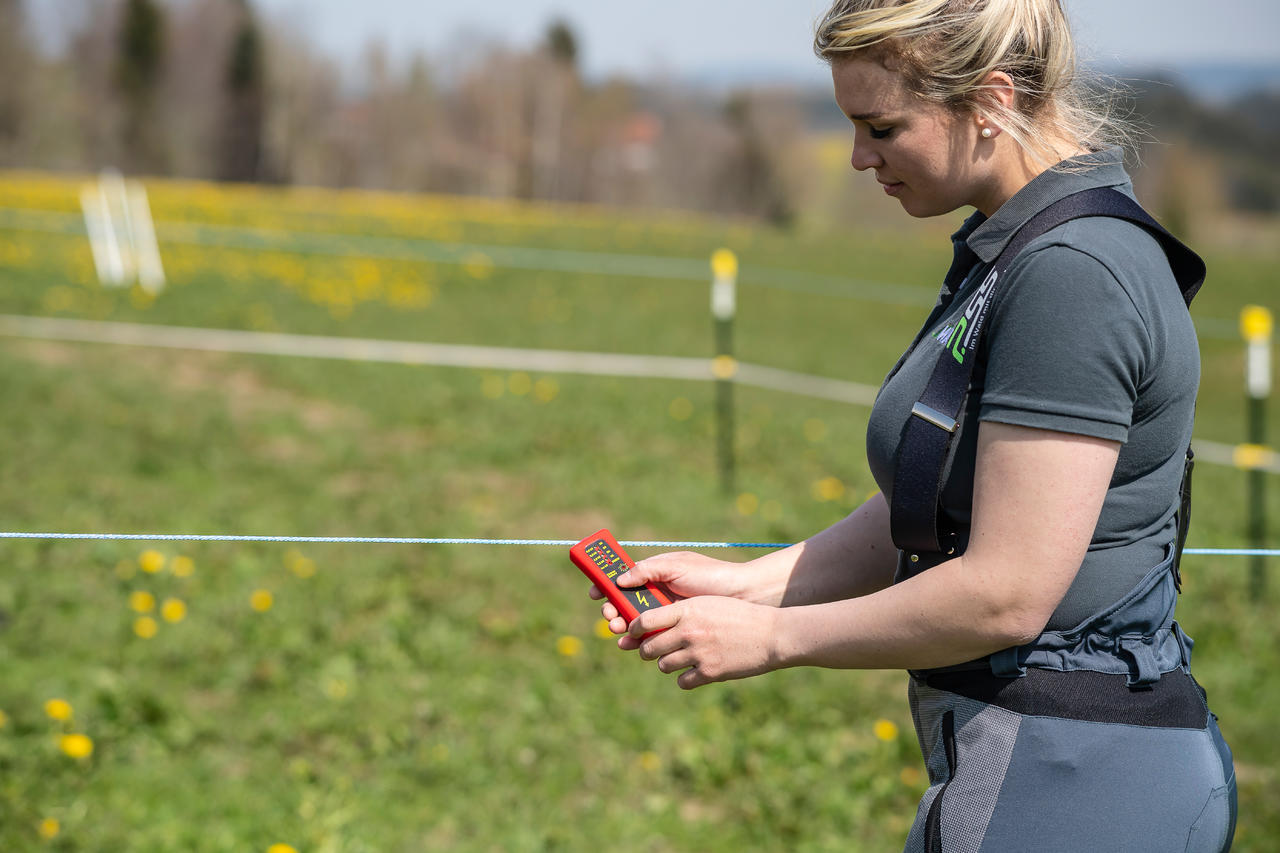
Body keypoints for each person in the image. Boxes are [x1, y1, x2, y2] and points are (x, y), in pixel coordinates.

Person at [589, 1, 1237, 850]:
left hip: (1075, 771)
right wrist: (747, 585)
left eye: (883, 127)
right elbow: (938, 501)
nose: (860, 157)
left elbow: (1005, 591)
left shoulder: (1074, 274)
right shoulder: (1016, 251)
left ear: (991, 101)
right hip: (1033, 752)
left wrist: (772, 637)